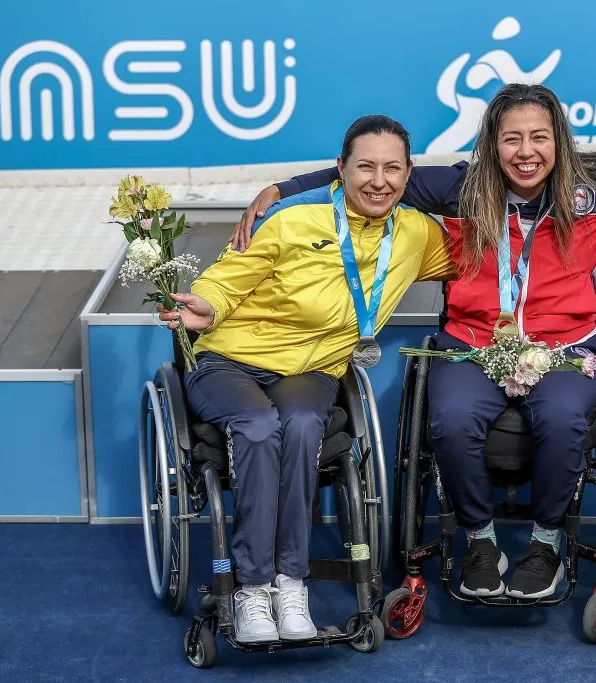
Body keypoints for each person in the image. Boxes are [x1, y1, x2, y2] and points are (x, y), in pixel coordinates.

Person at [230, 84, 596, 601]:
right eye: (512, 138)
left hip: (565, 345)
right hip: (474, 343)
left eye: (539, 137)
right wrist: (282, 189)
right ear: (492, 142)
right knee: (452, 419)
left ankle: (546, 545)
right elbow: (369, 177)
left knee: (568, 418)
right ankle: (481, 542)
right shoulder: (459, 187)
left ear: (558, 141)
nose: (526, 152)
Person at [157, 115, 455, 643]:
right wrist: (205, 305)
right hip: (231, 361)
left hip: (313, 372)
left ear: (410, 175)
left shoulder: (417, 233)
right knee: (256, 426)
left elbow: (488, 261)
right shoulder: (292, 220)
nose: (378, 180)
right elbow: (228, 279)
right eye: (365, 167)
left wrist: (577, 295)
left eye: (392, 169)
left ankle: (290, 583)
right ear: (339, 170)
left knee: (299, 426)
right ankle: (251, 589)